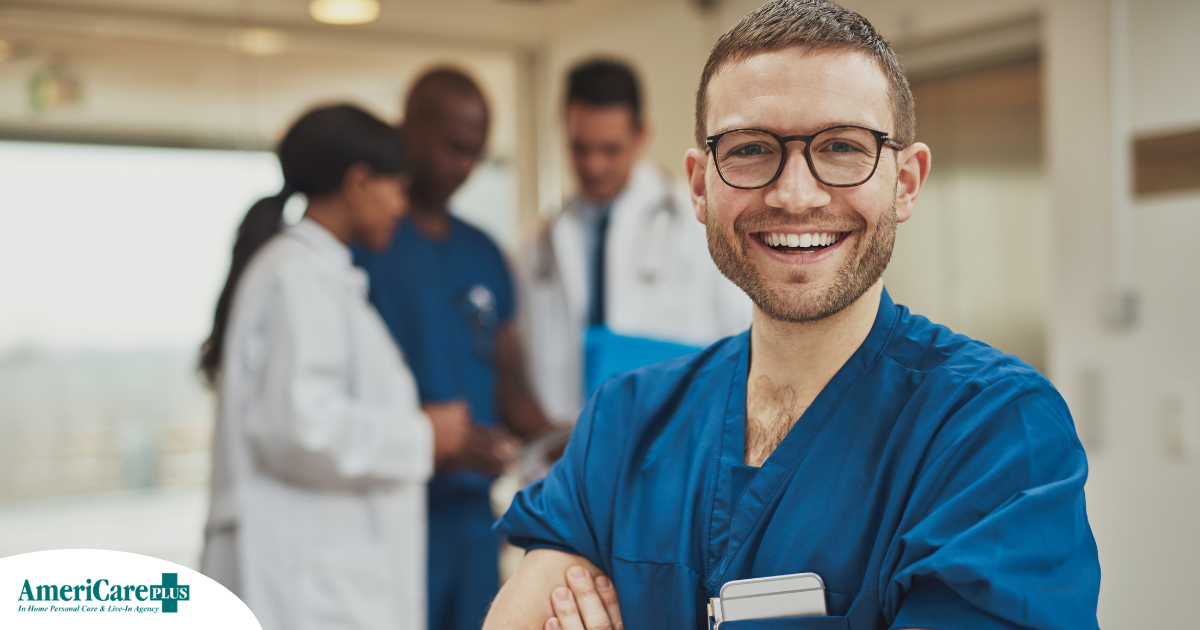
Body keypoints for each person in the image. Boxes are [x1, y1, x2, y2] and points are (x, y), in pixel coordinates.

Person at [485, 2, 1102, 629]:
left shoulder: (993, 433)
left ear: (906, 181)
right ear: (700, 186)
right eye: (751, 149)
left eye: (841, 147)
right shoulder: (625, 423)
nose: (794, 194)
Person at [198, 104, 471, 630]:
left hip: (318, 576)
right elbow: (299, 426)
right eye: (396, 189)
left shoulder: (315, 273)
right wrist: (422, 436)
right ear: (359, 182)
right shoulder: (300, 276)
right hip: (305, 584)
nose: (401, 207)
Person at [353, 69, 557, 630]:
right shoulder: (364, 246)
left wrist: (563, 438)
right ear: (409, 129)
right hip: (384, 509)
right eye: (453, 148)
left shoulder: (484, 254)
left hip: (471, 519)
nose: (464, 167)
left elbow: (505, 377)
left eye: (476, 154)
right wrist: (424, 434)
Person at [520, 59, 751, 424]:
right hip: (570, 449)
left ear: (641, 134)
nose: (594, 165)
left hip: (677, 436)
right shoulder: (543, 244)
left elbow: (744, 338)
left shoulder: (696, 221)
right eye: (581, 148)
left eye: (610, 149)